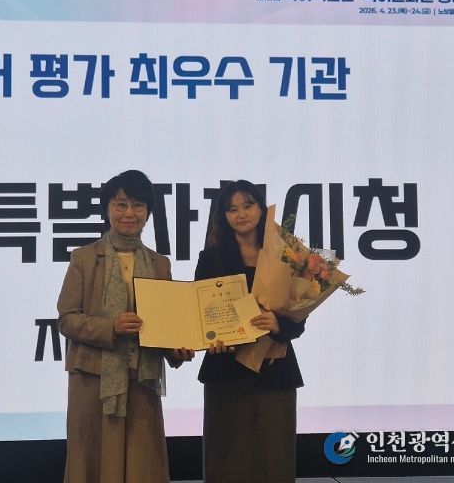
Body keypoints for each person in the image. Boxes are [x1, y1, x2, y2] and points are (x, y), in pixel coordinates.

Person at [57, 169, 192, 483]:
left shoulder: (159, 264)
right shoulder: (84, 258)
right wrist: (111, 327)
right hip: (93, 381)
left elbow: (166, 324)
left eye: (138, 205)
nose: (129, 213)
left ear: (148, 212)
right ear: (107, 209)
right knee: (92, 462)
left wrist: (177, 350)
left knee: (142, 466)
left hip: (142, 381)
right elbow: (66, 318)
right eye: (121, 204)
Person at [195, 180, 306, 483]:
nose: (241, 214)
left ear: (261, 208)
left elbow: (300, 314)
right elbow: (201, 314)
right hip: (226, 370)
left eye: (247, 205)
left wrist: (280, 325)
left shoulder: (285, 255)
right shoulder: (211, 258)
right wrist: (211, 338)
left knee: (274, 458)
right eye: (232, 209)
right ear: (223, 216)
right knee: (227, 459)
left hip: (275, 368)